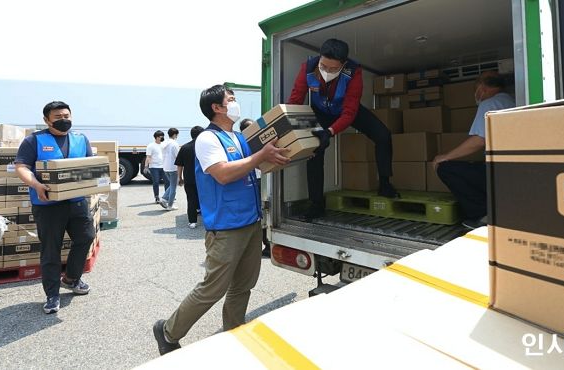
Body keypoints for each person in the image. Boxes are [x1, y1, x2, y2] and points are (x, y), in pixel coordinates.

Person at [153, 84, 289, 355]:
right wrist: (260, 156)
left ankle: (235, 331)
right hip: (226, 227)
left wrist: (271, 157)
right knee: (213, 288)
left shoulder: (237, 137)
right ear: (217, 108)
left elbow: (251, 166)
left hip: (250, 222)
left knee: (243, 286)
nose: (235, 103)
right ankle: (168, 331)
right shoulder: (208, 139)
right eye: (231, 99)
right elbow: (223, 174)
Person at [288, 38, 400, 220]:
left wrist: (330, 132)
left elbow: (349, 112)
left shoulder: (354, 73)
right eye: (324, 66)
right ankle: (316, 204)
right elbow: (295, 100)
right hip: (321, 112)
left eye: (333, 69)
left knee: (383, 135)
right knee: (315, 151)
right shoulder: (308, 68)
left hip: (347, 110)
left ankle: (385, 183)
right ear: (320, 58)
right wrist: (292, 128)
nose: (327, 72)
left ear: (343, 64)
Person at [14, 101, 96, 314]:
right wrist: (36, 184)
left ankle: (71, 278)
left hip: (77, 202)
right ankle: (52, 294)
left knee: (86, 237)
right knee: (51, 249)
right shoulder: (34, 140)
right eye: (58, 117)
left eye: (66, 116)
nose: (64, 120)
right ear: (46, 120)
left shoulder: (80, 139)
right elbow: (21, 166)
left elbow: (90, 166)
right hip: (48, 205)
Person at [433, 72, 515, 229]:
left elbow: (479, 140)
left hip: (499, 174)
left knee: (446, 169)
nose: (475, 95)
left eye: (476, 89)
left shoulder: (490, 103)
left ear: (482, 88)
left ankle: (482, 214)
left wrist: (444, 157)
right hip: (513, 173)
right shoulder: (512, 100)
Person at [239, 118, 270, 258]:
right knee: (262, 210)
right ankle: (266, 244)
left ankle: (266, 243)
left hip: (261, 179)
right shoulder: (246, 143)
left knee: (264, 210)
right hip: (255, 180)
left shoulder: (254, 141)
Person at [175, 126, 204, 228]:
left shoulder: (185, 147)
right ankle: (208, 219)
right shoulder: (205, 147)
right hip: (204, 179)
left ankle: (192, 222)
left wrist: (179, 177)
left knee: (191, 199)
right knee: (205, 198)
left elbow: (179, 164)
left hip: (189, 178)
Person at [160, 127, 180, 210]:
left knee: (172, 185)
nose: (177, 136)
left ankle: (164, 199)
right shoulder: (174, 144)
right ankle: (169, 205)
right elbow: (177, 157)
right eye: (177, 135)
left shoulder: (164, 143)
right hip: (173, 168)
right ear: (175, 134)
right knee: (173, 187)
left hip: (165, 167)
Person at [145, 130, 167, 204]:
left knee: (167, 181)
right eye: (161, 137)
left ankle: (167, 197)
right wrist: (146, 167)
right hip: (154, 167)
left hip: (164, 166)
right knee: (156, 182)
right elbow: (148, 156)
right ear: (157, 137)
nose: (163, 138)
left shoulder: (164, 145)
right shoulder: (151, 146)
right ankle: (157, 197)